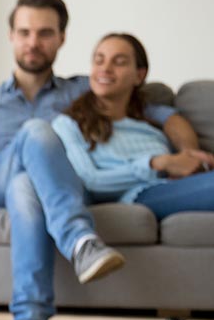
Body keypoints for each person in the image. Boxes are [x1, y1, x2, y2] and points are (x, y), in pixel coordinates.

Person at [0, 0, 202, 320]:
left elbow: (163, 112)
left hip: (47, 192)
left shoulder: (83, 90)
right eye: (24, 32)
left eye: (44, 33)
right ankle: (80, 241)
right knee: (34, 134)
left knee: (27, 188)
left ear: (61, 38)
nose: (33, 42)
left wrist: (188, 152)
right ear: (12, 36)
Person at [52, 33, 214, 217]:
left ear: (139, 75)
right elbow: (92, 180)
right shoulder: (67, 124)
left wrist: (195, 163)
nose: (105, 68)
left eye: (119, 62)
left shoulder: (150, 127)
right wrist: (158, 163)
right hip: (140, 195)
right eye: (99, 61)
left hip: (174, 186)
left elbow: (177, 160)